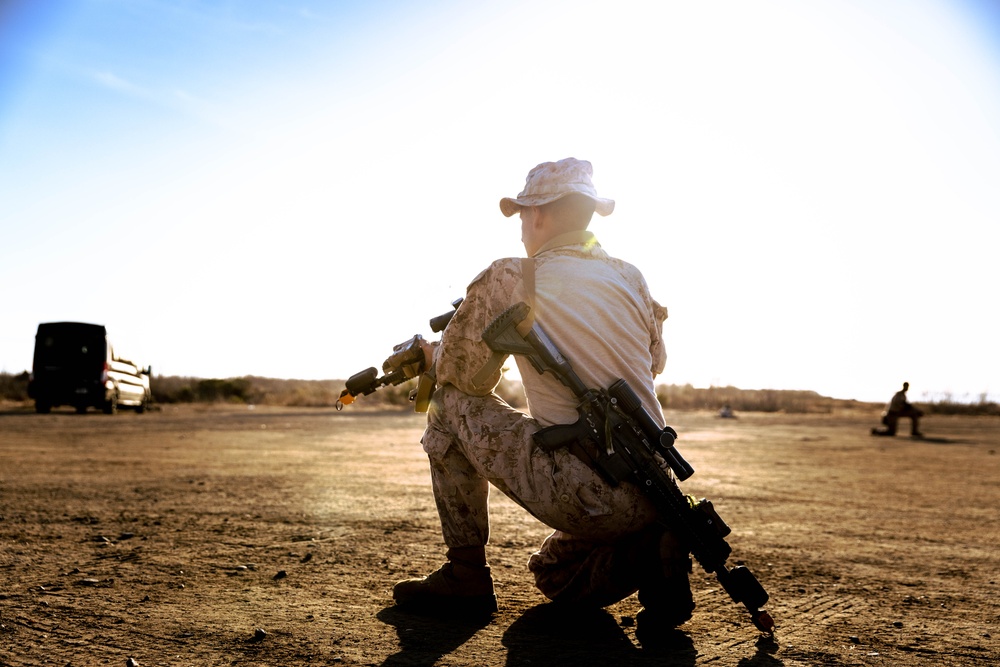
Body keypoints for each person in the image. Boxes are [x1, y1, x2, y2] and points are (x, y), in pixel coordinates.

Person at [392, 158, 694, 638]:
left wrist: (435, 356)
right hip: (653, 491)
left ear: (537, 215)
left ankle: (465, 575)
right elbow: (654, 363)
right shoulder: (631, 278)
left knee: (446, 404)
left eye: (521, 219)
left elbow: (465, 381)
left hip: (587, 487)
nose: (520, 231)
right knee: (553, 576)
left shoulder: (512, 277)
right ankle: (648, 553)